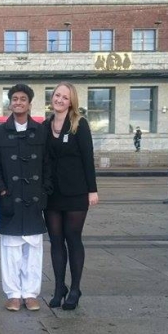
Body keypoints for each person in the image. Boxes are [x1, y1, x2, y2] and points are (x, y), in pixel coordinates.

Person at [0, 84, 51, 312]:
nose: (18, 102)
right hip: (11, 200)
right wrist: (2, 190)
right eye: (14, 98)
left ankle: (30, 293)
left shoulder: (40, 131)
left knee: (33, 251)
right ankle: (14, 294)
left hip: (34, 199)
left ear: (29, 103)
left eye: (22, 99)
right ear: (10, 103)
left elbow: (48, 165)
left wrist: (44, 190)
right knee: (10, 251)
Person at [44, 82, 99, 311]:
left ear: (71, 101)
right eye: (57, 95)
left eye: (65, 97)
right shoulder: (46, 125)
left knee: (72, 238)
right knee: (56, 241)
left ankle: (75, 288)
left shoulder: (79, 124)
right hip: (52, 194)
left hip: (76, 192)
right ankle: (59, 287)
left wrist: (92, 190)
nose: (59, 100)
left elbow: (88, 158)